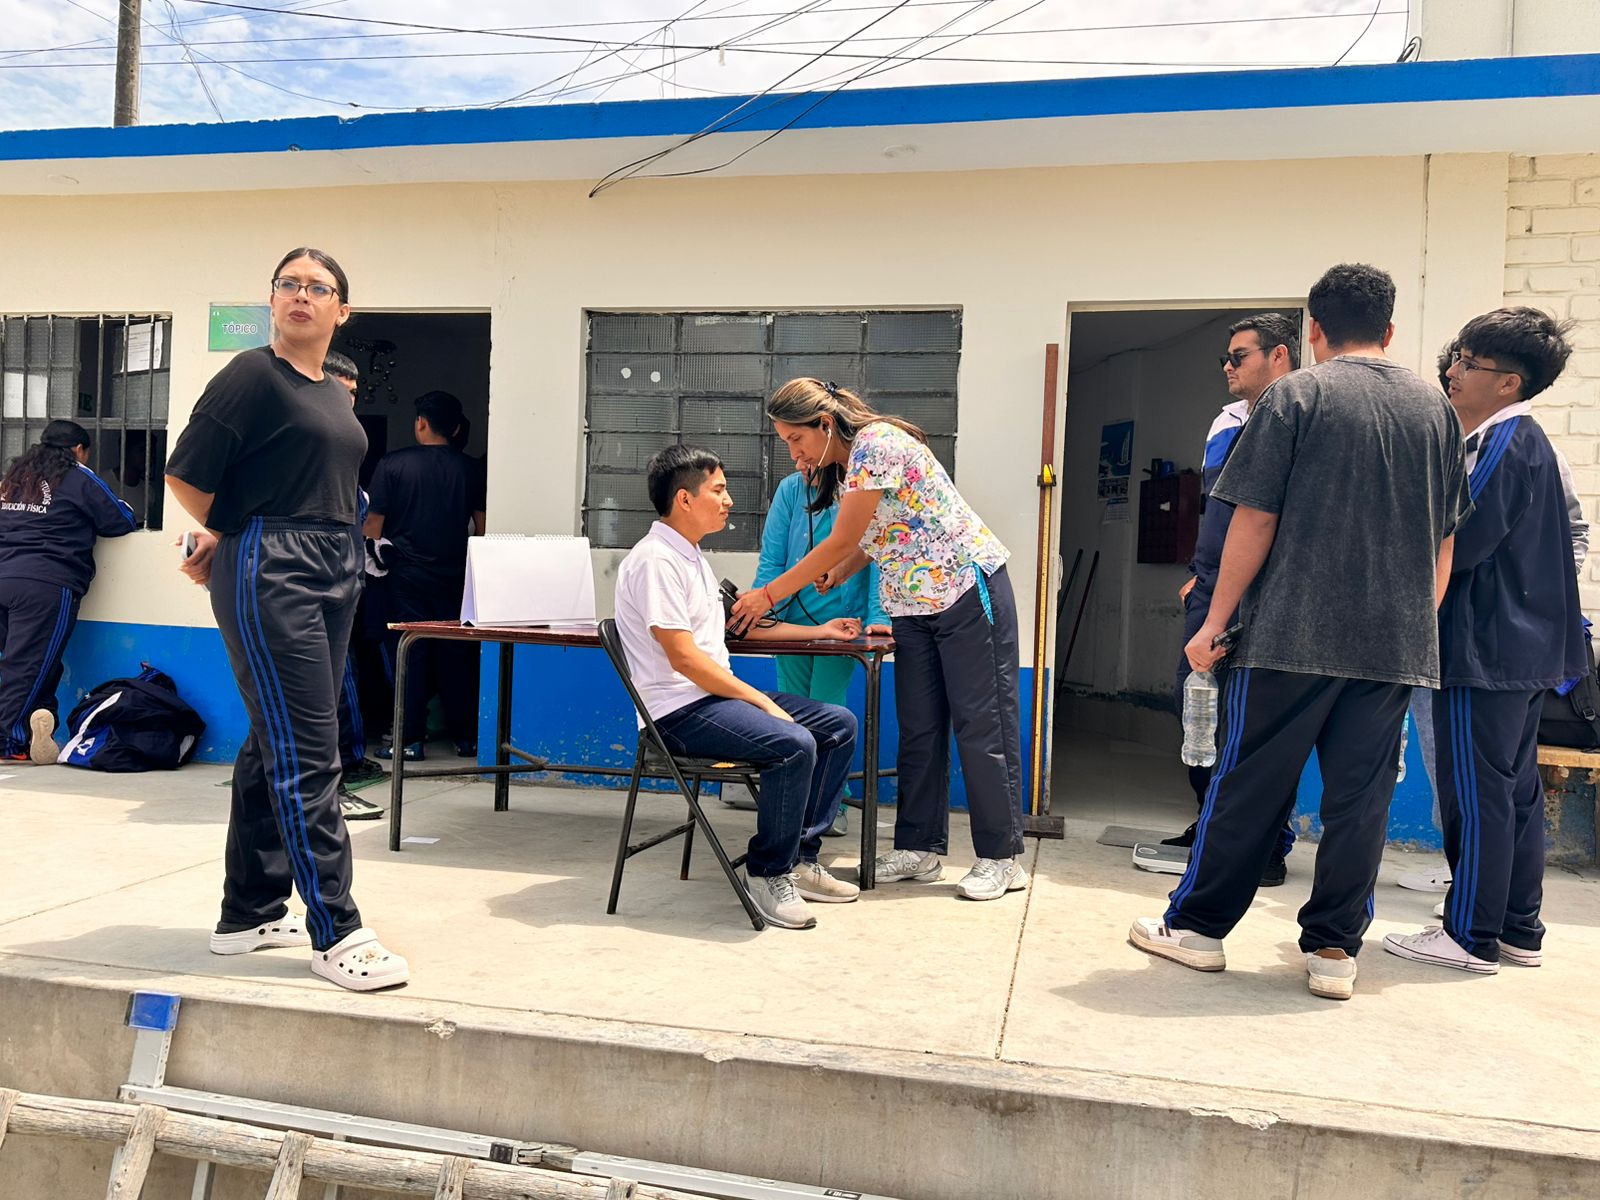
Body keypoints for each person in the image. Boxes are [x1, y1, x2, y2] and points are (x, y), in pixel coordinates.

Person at [1128, 263, 1470, 1001]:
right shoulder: (1434, 408)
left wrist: (1214, 622)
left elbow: (1254, 518)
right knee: (1361, 800)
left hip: (1290, 636)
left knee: (1247, 786)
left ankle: (1197, 931)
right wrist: (1418, 621)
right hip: (1393, 646)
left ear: (1313, 330)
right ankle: (1334, 953)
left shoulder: (1297, 395)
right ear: (1389, 329)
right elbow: (1445, 537)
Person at [167, 246, 407, 992]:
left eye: (318, 287)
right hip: (275, 564)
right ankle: (337, 931)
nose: (301, 295)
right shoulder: (250, 376)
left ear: (341, 310)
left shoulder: (330, 390)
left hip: (334, 564)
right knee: (311, 749)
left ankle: (249, 912)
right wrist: (234, 532)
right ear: (272, 301)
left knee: (272, 744)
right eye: (288, 285)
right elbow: (186, 473)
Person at [730, 379, 1028, 902]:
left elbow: (843, 537)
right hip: (911, 603)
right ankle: (920, 848)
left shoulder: (878, 443)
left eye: (796, 440)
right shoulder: (848, 468)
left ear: (824, 424)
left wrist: (768, 596)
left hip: (964, 589)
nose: (794, 453)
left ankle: (1001, 858)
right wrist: (842, 572)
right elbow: (877, 535)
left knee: (982, 725)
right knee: (919, 727)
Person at [1383, 308, 1586, 973]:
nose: (1452, 370)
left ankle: (1468, 934)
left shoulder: (1502, 443)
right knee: (1515, 793)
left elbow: (1460, 544)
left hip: (1484, 650)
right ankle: (1519, 930)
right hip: (1524, 653)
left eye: (1469, 363)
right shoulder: (1522, 443)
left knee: (1478, 795)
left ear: (1509, 382)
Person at [614, 444, 863, 929]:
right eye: (719, 490)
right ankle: (768, 874)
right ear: (684, 499)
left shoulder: (691, 559)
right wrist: (759, 699)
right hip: (676, 715)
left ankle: (800, 857)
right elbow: (683, 658)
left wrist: (823, 630)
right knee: (792, 744)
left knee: (838, 724)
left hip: (711, 699)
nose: (729, 500)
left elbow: (740, 629)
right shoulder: (656, 562)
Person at [1138, 314, 1301, 886]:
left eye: (1239, 356)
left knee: (1256, 724)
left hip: (1269, 597)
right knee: (1197, 711)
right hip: (1211, 591)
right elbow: (1219, 510)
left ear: (1278, 356)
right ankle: (1210, 825)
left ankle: (1268, 846)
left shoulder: (1302, 416)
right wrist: (1199, 575)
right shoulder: (1226, 421)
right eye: (1225, 359)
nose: (1228, 368)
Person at [737, 463, 892, 836]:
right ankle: (795, 803)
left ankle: (830, 805)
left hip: (843, 626)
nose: (797, 459)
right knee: (790, 716)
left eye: (800, 443)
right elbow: (773, 560)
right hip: (790, 624)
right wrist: (763, 612)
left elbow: (877, 552)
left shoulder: (859, 489)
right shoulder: (791, 490)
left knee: (828, 711)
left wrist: (877, 613)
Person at [0, 419, 136, 763]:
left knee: (36, 662)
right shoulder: (77, 475)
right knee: (29, 664)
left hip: (4, 574)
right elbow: (119, 520)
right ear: (79, 450)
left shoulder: (14, 479)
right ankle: (7, 741)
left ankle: (36, 728)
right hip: (46, 583)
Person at [364, 391, 486, 762]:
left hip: (404, 576)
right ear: (457, 427)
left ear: (420, 423)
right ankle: (467, 739)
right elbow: (481, 530)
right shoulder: (470, 470)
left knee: (410, 655)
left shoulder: (393, 464)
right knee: (457, 654)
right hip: (455, 576)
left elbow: (373, 526)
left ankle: (409, 740)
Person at [323, 350, 385, 822]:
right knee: (326, 693)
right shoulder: (304, 445)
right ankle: (332, 787)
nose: (348, 405)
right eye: (340, 393)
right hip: (308, 591)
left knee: (342, 684)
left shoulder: (346, 447)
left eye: (353, 396)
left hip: (342, 589)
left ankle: (343, 769)